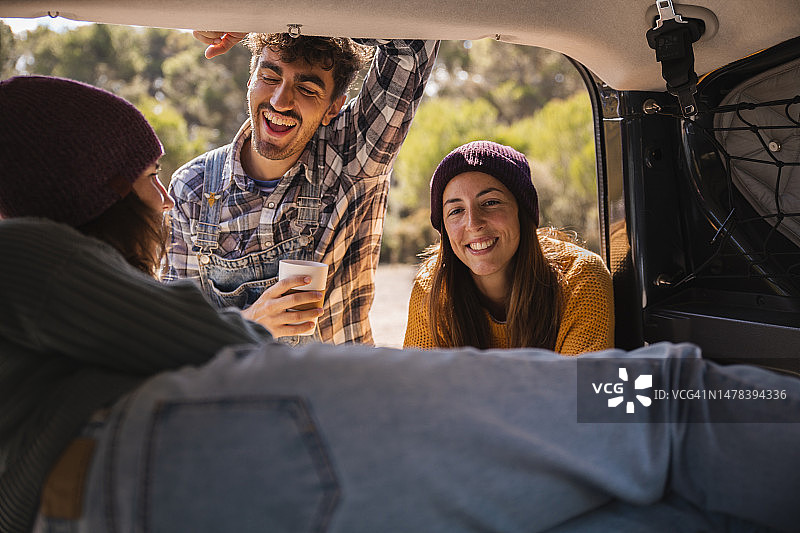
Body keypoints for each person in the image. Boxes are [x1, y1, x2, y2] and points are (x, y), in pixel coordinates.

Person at [3, 76, 800, 533]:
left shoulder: (574, 273)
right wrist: (262, 331)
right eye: (147, 180)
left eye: (492, 205)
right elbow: (198, 338)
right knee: (656, 404)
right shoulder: (22, 256)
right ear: (90, 193)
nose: (166, 200)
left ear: (525, 213)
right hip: (183, 447)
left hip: (131, 476)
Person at [166, 32, 439, 345]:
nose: (280, 101)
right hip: (237, 393)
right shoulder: (193, 188)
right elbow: (176, 336)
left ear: (333, 108)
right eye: (269, 76)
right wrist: (250, 322)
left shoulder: (354, 154)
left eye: (307, 89)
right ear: (250, 78)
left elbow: (413, 45)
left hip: (336, 390)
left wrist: (271, 14)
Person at [404, 141, 614, 354]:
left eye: (490, 202)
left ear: (522, 212)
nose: (473, 223)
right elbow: (421, 385)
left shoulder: (580, 276)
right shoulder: (431, 289)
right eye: (456, 210)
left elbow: (580, 384)